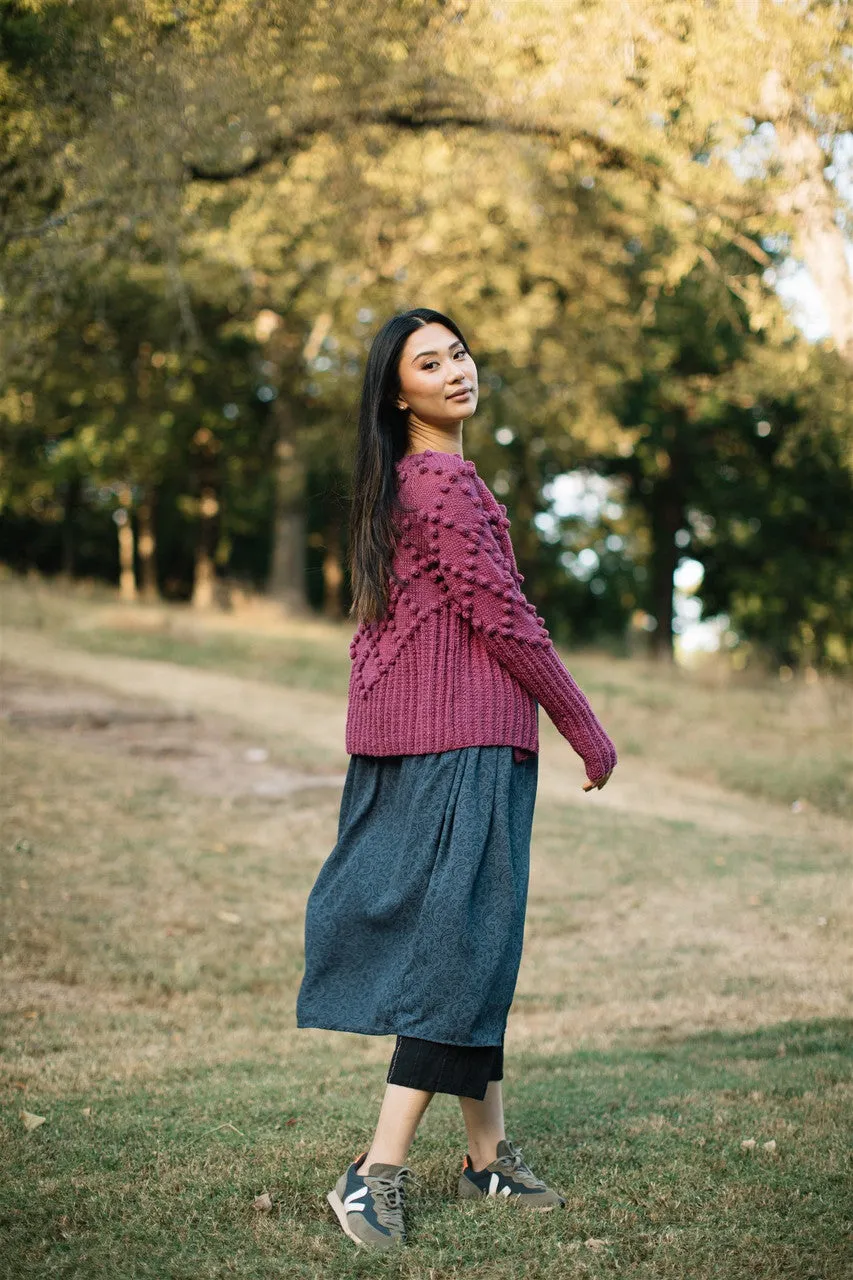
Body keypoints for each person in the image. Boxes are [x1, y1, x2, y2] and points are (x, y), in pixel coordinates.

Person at [296, 306, 617, 1251]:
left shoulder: (418, 482)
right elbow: (504, 618)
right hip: (461, 745)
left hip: (456, 740)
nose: (454, 372)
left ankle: (486, 1159)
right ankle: (374, 1172)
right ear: (400, 394)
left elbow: (397, 629)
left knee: (475, 944)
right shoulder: (437, 483)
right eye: (428, 364)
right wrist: (582, 725)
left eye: (459, 353)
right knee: (455, 954)